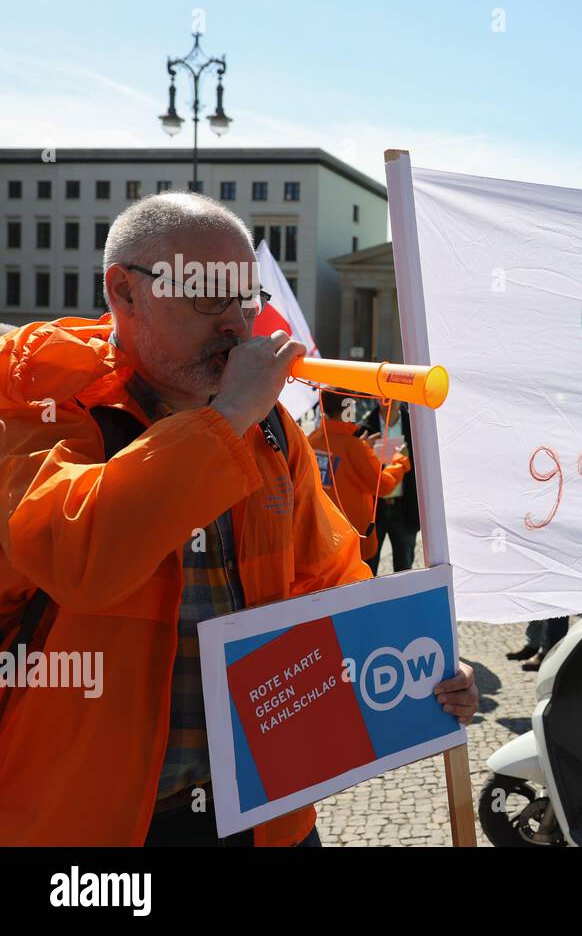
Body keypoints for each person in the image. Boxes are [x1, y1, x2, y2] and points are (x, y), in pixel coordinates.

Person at [0, 192, 478, 846]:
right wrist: (224, 420)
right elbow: (78, 558)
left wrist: (421, 666)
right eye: (207, 297)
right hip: (92, 827)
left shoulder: (272, 429)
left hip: (263, 810)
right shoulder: (38, 401)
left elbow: (327, 581)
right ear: (124, 293)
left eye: (245, 299)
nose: (235, 323)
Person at [307, 392, 410, 575]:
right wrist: (400, 461)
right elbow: (383, 485)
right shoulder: (353, 446)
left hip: (325, 534)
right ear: (347, 408)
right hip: (355, 536)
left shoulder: (312, 439)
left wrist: (363, 450)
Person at [361, 401, 420, 574]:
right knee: (368, 570)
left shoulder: (414, 426)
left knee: (404, 569)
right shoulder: (365, 427)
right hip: (375, 510)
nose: (387, 400)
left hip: (405, 508)